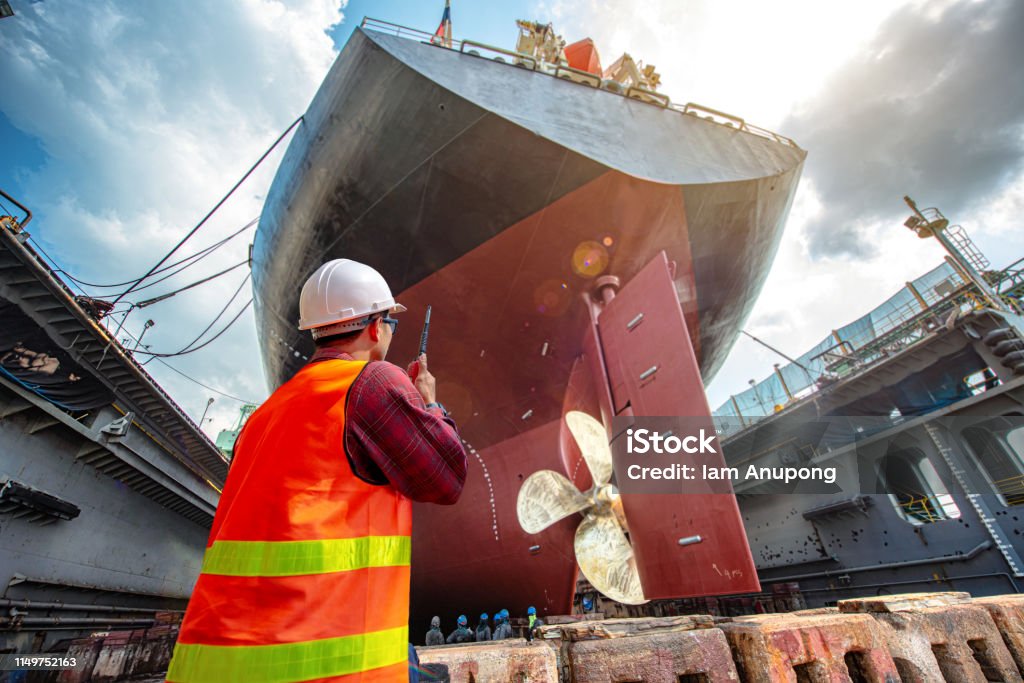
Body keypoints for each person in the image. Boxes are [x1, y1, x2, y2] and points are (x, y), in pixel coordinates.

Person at [166, 259, 468, 682]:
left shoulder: (263, 415)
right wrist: (430, 403)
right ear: (375, 327)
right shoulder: (374, 381)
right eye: (391, 324)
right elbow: (446, 479)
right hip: (321, 664)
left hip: (209, 663)